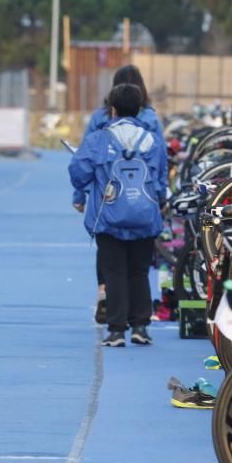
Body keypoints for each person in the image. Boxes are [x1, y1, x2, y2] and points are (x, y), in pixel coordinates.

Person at [69, 83, 168, 347]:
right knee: (140, 271)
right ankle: (141, 327)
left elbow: (78, 171)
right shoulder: (151, 140)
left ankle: (116, 330)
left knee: (114, 272)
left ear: (112, 109)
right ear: (139, 109)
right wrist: (159, 201)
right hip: (144, 217)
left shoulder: (98, 139)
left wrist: (82, 193)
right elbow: (160, 179)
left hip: (108, 216)